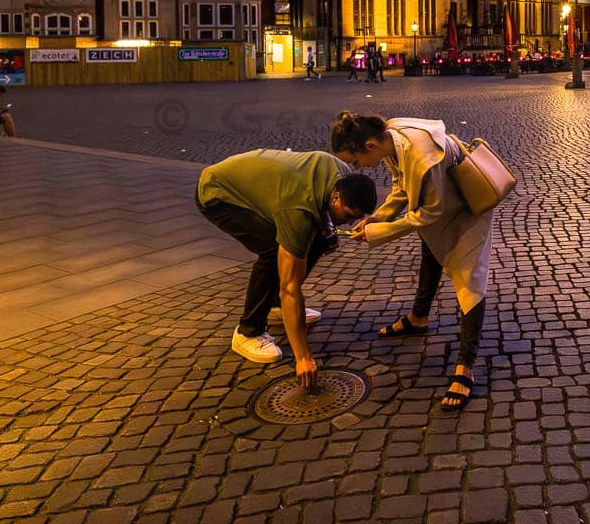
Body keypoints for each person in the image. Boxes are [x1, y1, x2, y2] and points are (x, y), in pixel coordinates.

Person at [331, 112, 494, 411]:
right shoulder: (391, 136)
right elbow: (401, 184)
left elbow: (427, 214)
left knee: (470, 279)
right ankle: (419, 318)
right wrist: (378, 216)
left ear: (369, 146)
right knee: (431, 252)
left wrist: (378, 231)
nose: (357, 168)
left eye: (354, 161)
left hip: (467, 207)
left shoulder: (423, 159)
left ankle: (465, 367)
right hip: (444, 199)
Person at [196, 150, 377, 387]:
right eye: (348, 215)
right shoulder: (298, 212)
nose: (350, 223)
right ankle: (248, 332)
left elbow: (319, 207)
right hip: (218, 194)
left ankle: (274, 307)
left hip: (266, 187)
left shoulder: (340, 173)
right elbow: (290, 288)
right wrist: (303, 357)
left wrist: (327, 229)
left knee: (321, 240)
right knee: (273, 252)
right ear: (336, 197)